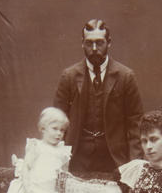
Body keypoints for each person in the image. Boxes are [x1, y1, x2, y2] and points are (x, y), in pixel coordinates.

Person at [54, 18, 144, 173]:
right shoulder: (69, 76)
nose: (94, 48)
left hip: (114, 159)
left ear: (109, 43)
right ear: (82, 43)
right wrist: (57, 160)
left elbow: (136, 124)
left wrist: (135, 166)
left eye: (99, 43)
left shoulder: (125, 76)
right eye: (89, 43)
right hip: (76, 158)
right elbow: (56, 122)